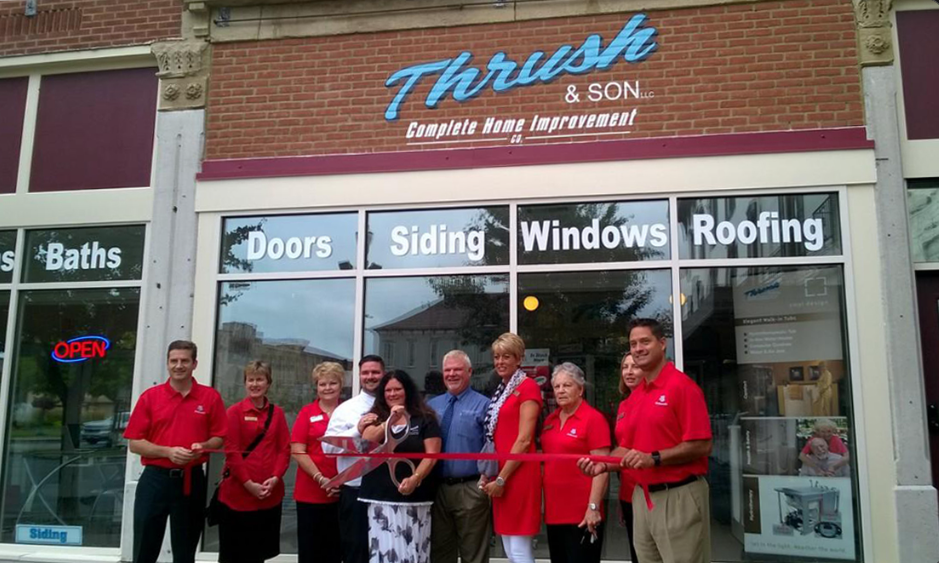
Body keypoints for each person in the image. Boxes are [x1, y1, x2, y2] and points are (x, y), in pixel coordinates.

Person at [578, 318, 712, 563]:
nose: (638, 348)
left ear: (662, 344)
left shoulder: (682, 387)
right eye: (633, 344)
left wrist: (654, 458)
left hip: (678, 495)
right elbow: (626, 448)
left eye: (644, 342)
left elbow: (702, 445)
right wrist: (603, 464)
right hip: (642, 497)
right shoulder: (635, 396)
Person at [124, 340, 227, 563]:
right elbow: (134, 443)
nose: (178, 365)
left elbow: (219, 438)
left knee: (185, 552)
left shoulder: (210, 398)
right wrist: (167, 452)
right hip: (154, 481)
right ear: (167, 363)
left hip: (191, 482)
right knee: (144, 550)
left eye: (184, 361)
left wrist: (204, 446)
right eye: (174, 361)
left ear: (194, 363)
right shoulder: (151, 397)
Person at [357, 370, 441, 563]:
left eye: (397, 389)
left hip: (414, 499)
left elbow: (432, 455)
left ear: (407, 391)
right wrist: (390, 421)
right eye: (388, 390)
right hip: (380, 499)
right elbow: (367, 441)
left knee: (411, 552)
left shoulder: (425, 419)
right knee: (385, 553)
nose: (392, 394)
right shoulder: (374, 417)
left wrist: (415, 478)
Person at [217, 361, 290, 563]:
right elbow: (232, 453)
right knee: (235, 554)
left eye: (260, 379)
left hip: (269, 494)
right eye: (251, 379)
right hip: (238, 495)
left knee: (259, 554)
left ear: (268, 383)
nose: (255, 384)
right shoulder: (234, 412)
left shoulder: (278, 414)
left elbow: (284, 449)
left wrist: (275, 478)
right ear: (245, 383)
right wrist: (249, 484)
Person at [480, 333, 542, 563]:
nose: (500, 362)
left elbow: (524, 440)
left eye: (506, 356)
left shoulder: (528, 387)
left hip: (518, 474)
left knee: (519, 549)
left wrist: (502, 479)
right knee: (508, 546)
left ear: (519, 359)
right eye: (497, 357)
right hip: (502, 474)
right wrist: (491, 474)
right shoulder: (503, 389)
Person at [541, 362, 611, 563]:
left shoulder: (593, 419)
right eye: (557, 386)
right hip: (554, 514)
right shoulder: (550, 421)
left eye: (567, 385)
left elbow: (602, 468)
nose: (561, 391)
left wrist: (593, 507)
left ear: (580, 389)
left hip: (582, 514)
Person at [428, 350, 492, 563]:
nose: (452, 374)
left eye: (458, 369)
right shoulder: (432, 406)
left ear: (470, 372)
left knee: (473, 553)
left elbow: (491, 447)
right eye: (448, 370)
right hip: (437, 489)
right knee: (440, 552)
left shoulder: (484, 405)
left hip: (471, 489)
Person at [322, 355, 385, 563]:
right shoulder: (345, 409)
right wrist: (356, 430)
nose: (370, 377)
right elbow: (327, 448)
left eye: (375, 372)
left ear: (383, 374)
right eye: (366, 373)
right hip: (355, 491)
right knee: (355, 552)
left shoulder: (396, 405)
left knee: (386, 552)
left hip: (389, 492)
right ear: (359, 376)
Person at [291, 362, 344, 563]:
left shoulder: (348, 412)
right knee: (310, 551)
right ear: (316, 386)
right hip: (310, 494)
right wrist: (321, 478)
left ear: (341, 385)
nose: (328, 388)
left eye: (333, 383)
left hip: (341, 493)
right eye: (323, 384)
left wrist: (340, 481)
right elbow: (297, 450)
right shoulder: (306, 413)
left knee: (336, 551)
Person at [615, 352, 642, 563]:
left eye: (635, 366)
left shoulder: (649, 399)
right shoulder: (624, 405)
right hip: (628, 490)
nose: (629, 372)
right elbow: (624, 446)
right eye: (625, 367)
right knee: (636, 551)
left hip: (649, 490)